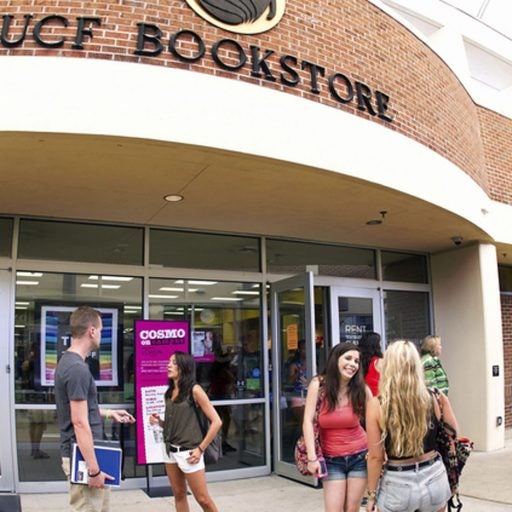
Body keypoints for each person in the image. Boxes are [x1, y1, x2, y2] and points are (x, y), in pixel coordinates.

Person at [54, 305, 135, 512]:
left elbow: (78, 409)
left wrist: (109, 413)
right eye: (100, 330)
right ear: (91, 331)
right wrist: (93, 470)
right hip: (83, 457)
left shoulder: (68, 362)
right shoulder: (77, 369)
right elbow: (79, 422)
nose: (100, 334)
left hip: (84, 454)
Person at [366, 340, 458, 512]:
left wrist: (371, 495)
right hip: (434, 476)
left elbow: (375, 458)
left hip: (398, 482)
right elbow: (453, 434)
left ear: (388, 367)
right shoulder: (437, 397)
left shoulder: (376, 405)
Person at [149, 351, 222, 512]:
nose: (168, 365)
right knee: (179, 494)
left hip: (190, 453)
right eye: (169, 362)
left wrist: (200, 449)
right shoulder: (169, 393)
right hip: (169, 451)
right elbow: (174, 425)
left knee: (202, 499)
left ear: (184, 367)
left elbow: (217, 422)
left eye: (174, 362)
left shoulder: (195, 390)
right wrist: (159, 422)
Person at [303, 342, 371, 512]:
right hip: (331, 459)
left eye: (356, 361)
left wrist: (377, 452)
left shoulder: (361, 388)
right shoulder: (318, 385)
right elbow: (308, 422)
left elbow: (377, 420)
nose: (352, 364)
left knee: (352, 508)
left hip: (360, 456)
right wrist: (312, 458)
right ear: (335, 359)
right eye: (348, 358)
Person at [359, 332, 383, 397]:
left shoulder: (357, 361)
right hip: (377, 399)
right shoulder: (379, 362)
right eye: (379, 343)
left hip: (362, 398)